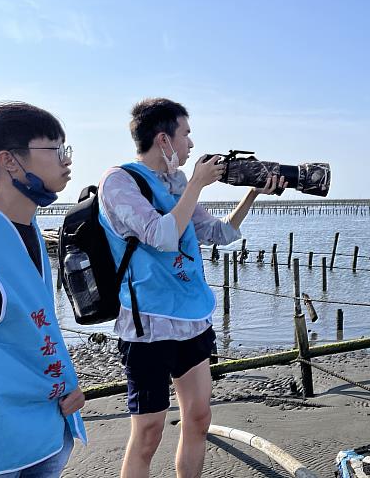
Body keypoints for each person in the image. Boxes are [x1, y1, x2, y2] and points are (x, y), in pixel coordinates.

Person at [97, 98, 283, 478]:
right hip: (147, 324)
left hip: (193, 316)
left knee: (198, 418)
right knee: (148, 433)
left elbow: (220, 233)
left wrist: (252, 194)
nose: (192, 146)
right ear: (164, 139)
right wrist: (197, 183)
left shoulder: (177, 182)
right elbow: (160, 236)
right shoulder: (119, 181)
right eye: (186, 135)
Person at [0, 101, 86, 477]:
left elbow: (31, 330)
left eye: (66, 149)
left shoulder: (28, 230)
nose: (67, 160)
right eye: (55, 149)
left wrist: (68, 382)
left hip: (45, 432)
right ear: (10, 161)